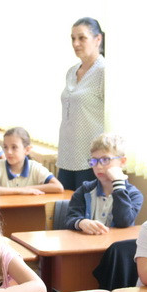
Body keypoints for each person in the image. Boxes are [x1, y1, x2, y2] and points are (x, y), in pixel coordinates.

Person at [56, 17, 105, 190]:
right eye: (73, 38)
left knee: (85, 205)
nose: (76, 43)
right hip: (67, 156)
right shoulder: (71, 72)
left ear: (98, 39)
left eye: (82, 38)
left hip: (90, 159)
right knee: (63, 205)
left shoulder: (104, 71)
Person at [65, 133, 142, 234]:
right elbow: (69, 219)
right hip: (87, 243)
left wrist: (118, 184)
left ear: (122, 161)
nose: (98, 166)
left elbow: (123, 222)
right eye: (94, 160)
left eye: (105, 160)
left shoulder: (134, 194)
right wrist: (81, 222)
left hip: (116, 243)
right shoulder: (85, 190)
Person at [0, 127, 64, 195]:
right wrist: (20, 190)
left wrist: (28, 189)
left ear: (27, 150)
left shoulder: (35, 167)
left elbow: (58, 187)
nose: (8, 152)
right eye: (5, 147)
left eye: (14, 147)